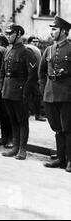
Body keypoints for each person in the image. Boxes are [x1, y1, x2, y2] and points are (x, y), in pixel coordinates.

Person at [0, 24, 37, 160]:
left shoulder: (27, 52)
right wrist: (2, 87)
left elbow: (32, 76)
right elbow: (2, 72)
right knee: (13, 120)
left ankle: (22, 149)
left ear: (19, 35)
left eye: (11, 34)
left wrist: (25, 93)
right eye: (8, 34)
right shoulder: (8, 51)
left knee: (22, 121)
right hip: (8, 90)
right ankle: (15, 146)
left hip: (20, 91)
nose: (8, 36)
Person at [40, 16, 71, 172]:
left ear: (64, 31)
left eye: (54, 29)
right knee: (57, 128)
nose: (51, 32)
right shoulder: (48, 50)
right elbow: (41, 73)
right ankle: (60, 158)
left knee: (68, 128)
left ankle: (70, 160)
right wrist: (43, 90)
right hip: (50, 94)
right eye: (51, 29)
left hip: (67, 95)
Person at [0, 33, 13, 148]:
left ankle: (10, 138)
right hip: (0, 86)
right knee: (1, 114)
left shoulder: (5, 52)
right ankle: (4, 137)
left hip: (8, 86)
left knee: (8, 115)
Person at [27, 36, 46, 122]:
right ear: (29, 42)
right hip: (28, 75)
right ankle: (32, 113)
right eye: (33, 41)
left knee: (37, 95)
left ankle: (38, 114)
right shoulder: (29, 50)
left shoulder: (38, 51)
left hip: (34, 76)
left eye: (37, 41)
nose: (35, 43)